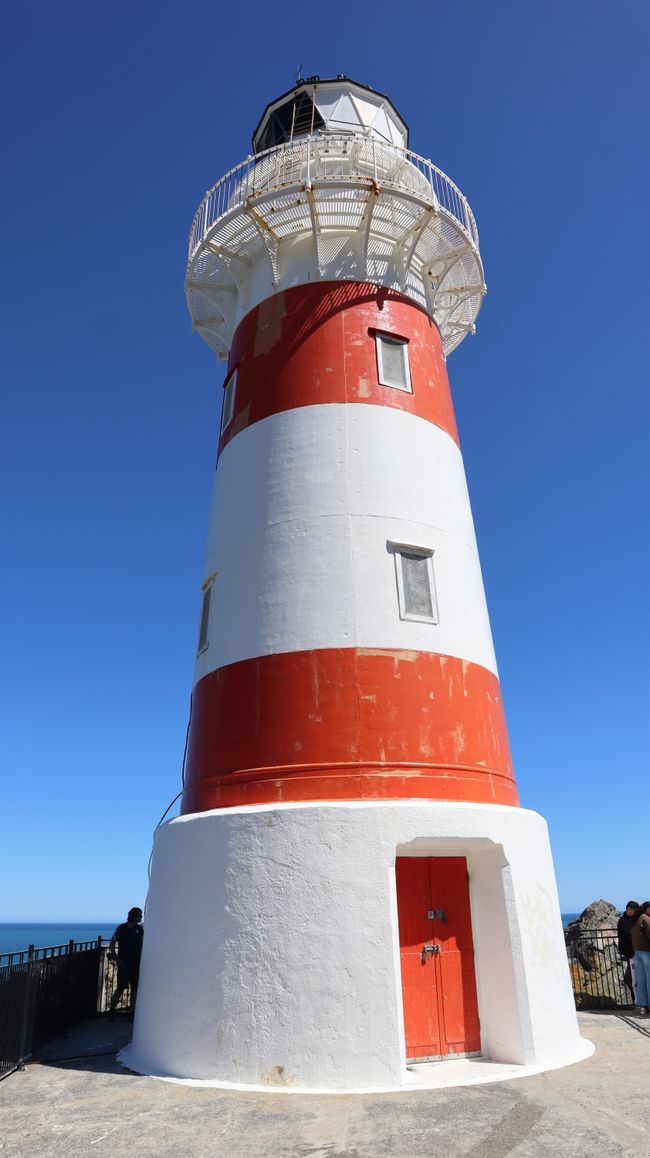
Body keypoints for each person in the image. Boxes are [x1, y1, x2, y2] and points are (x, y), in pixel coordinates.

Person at [108, 907, 143, 1020]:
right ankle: (112, 1009)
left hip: (135, 964)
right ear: (134, 916)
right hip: (123, 963)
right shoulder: (121, 928)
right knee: (120, 988)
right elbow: (112, 943)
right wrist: (117, 959)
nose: (141, 917)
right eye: (139, 915)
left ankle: (131, 1013)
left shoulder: (140, 929)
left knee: (135, 988)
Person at [631, 901, 650, 1017]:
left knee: (641, 979)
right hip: (647, 952)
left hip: (637, 951)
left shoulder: (636, 919)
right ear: (647, 908)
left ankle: (642, 1006)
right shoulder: (645, 918)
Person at [617, 900, 639, 1000]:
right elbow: (626, 936)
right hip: (630, 952)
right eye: (634, 910)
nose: (635, 912)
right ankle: (637, 1000)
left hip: (632, 951)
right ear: (629, 909)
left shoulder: (631, 919)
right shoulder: (623, 921)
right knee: (634, 977)